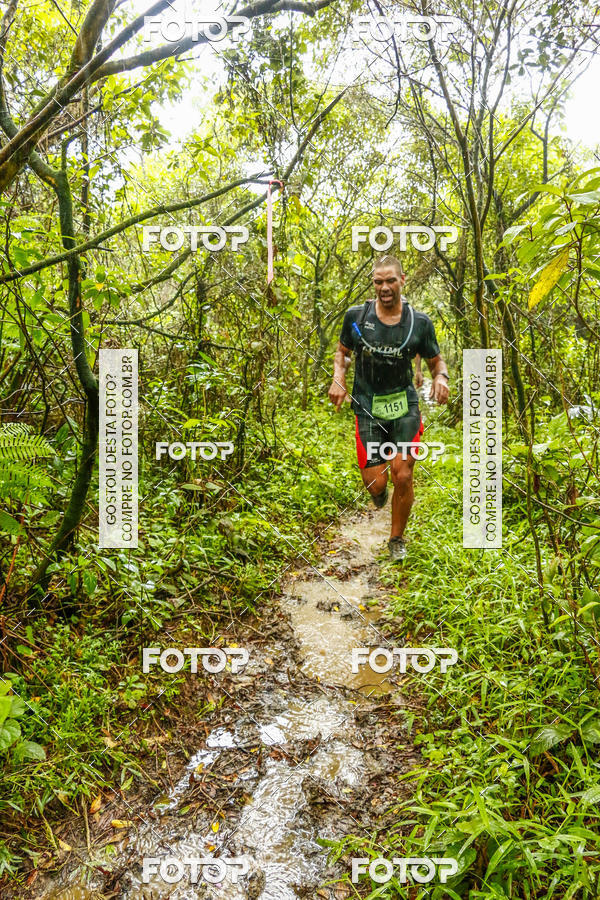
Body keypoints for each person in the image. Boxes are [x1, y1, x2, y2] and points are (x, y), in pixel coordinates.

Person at [328, 255, 449, 560]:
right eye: (378, 281)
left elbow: (436, 361)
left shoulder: (419, 323)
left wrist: (441, 378)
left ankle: (396, 539)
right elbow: (342, 353)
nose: (384, 287)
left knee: (403, 474)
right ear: (373, 283)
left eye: (390, 280)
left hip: (404, 406)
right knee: (376, 482)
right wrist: (338, 378)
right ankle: (379, 493)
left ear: (402, 281)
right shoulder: (356, 317)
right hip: (368, 406)